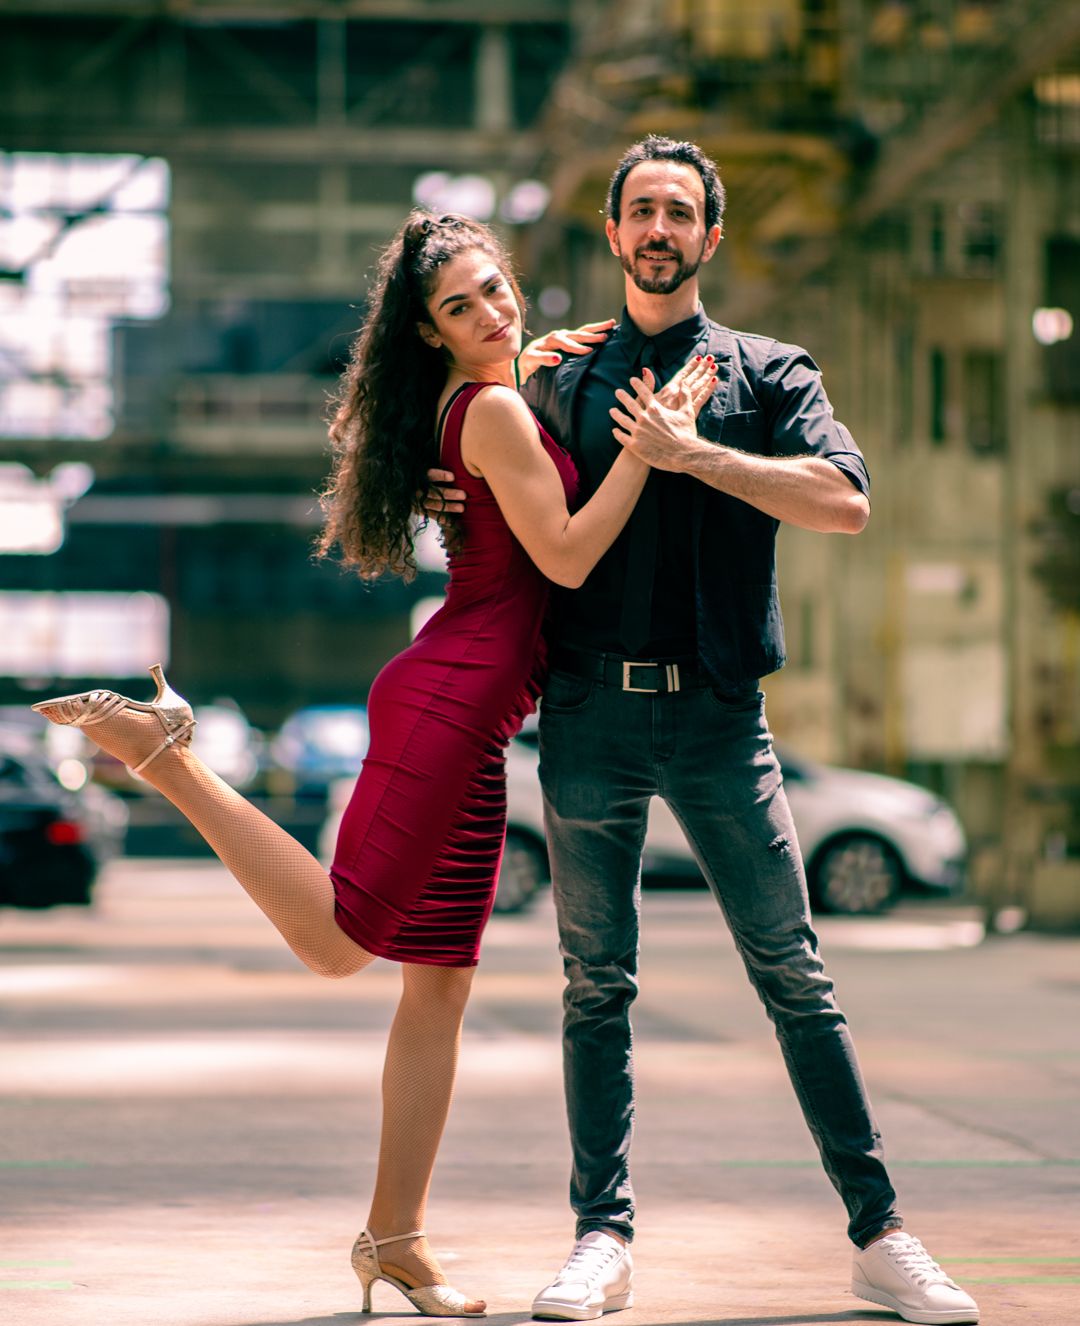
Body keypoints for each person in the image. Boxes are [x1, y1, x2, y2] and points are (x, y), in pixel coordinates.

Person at [32, 210, 715, 1319]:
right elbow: (572, 554)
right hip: (450, 705)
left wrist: (549, 349)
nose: (493, 312)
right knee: (337, 942)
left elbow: (524, 365)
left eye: (497, 287)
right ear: (428, 335)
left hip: (472, 708)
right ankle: (170, 762)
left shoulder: (493, 385)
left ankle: (394, 1239)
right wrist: (647, 446)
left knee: (436, 992)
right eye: (461, 306)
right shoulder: (490, 408)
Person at [427, 137, 980, 1326]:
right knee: (595, 984)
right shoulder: (559, 378)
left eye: (681, 210)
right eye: (641, 210)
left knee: (796, 974)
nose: (660, 226)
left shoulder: (772, 373)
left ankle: (882, 1235)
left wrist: (694, 455)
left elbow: (845, 502)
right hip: (590, 718)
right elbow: (485, 475)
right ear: (616, 233)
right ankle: (600, 1240)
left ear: (709, 237)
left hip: (723, 720)